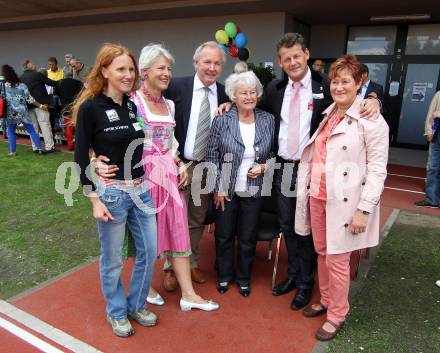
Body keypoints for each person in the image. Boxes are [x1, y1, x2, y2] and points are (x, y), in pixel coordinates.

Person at [94, 43, 219, 312]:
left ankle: (188, 294)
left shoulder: (170, 105)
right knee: (146, 238)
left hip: (169, 177)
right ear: (146, 71)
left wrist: (179, 162)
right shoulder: (131, 103)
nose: (167, 73)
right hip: (142, 175)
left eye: (169, 68)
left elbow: (171, 141)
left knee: (177, 230)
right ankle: (145, 285)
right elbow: (108, 135)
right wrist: (96, 160)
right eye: (161, 68)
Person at [295, 54, 389, 341]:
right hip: (319, 197)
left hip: (346, 204)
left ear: (359, 83)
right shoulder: (330, 113)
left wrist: (364, 209)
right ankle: (325, 299)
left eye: (345, 81)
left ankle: (337, 314)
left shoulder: (372, 120)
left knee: (337, 259)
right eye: (335, 81)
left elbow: (376, 170)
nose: (338, 87)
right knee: (322, 253)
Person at [72, 43, 158, 337]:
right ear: (105, 70)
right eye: (121, 68)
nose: (128, 74)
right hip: (112, 194)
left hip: (141, 189)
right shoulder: (90, 108)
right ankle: (116, 312)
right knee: (113, 259)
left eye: (131, 69)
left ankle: (135, 304)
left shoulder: (133, 105)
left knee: (150, 250)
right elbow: (80, 156)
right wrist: (94, 198)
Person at [162, 41, 229, 290]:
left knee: (196, 219)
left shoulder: (225, 94)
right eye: (206, 62)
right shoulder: (176, 86)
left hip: (205, 168)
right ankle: (169, 268)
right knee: (173, 218)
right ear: (195, 63)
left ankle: (190, 263)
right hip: (177, 164)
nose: (211, 68)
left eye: (216, 63)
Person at [206, 70, 275, 297]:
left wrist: (265, 167)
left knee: (248, 237)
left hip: (254, 189)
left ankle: (244, 278)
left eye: (252, 92)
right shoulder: (221, 119)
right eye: (243, 93)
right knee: (224, 235)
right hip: (225, 188)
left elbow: (274, 154)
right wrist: (218, 186)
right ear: (233, 96)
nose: (248, 96)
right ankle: (225, 276)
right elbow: (212, 155)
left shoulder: (268, 120)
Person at [1, 64, 46, 155]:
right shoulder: (22, 85)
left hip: (10, 113)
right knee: (32, 130)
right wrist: (40, 105)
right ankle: (39, 148)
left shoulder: (3, 86)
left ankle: (12, 151)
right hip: (23, 111)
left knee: (11, 132)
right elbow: (30, 99)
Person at [20, 59, 58, 153]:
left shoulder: (21, 78)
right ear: (29, 66)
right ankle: (49, 147)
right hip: (41, 104)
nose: (34, 65)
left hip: (29, 106)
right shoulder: (37, 74)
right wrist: (64, 81)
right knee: (45, 125)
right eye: (32, 64)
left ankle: (36, 147)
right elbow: (51, 83)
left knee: (33, 127)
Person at [414, 89, 440, 208]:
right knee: (433, 168)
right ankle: (432, 200)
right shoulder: (439, 94)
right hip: (437, 135)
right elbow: (431, 113)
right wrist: (429, 131)